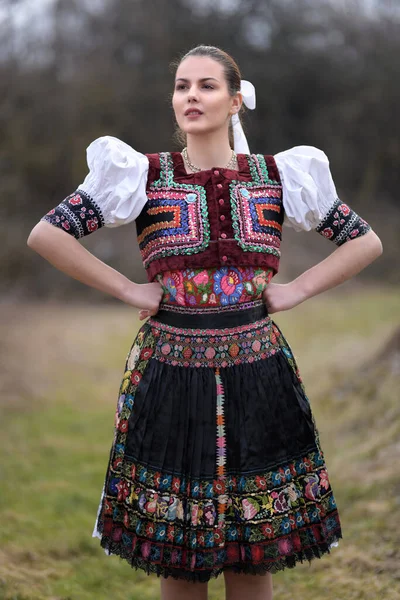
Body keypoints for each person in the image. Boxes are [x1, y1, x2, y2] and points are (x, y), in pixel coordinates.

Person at [27, 45, 382, 600]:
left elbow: (366, 240)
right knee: (181, 557)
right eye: (182, 86)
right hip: (169, 373)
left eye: (207, 86)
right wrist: (127, 288)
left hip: (259, 373)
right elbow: (47, 234)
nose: (191, 95)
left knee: (252, 552)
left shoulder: (277, 176)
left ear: (236, 100)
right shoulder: (142, 175)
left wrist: (295, 291)